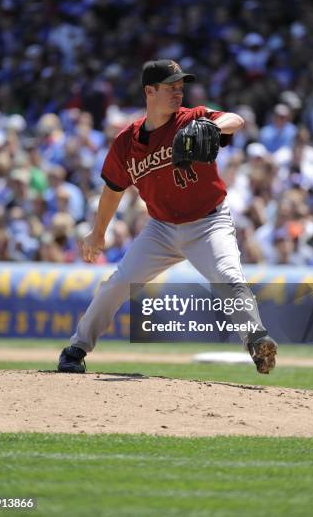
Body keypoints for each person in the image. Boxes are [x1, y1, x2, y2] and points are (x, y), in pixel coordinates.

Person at [58, 59, 277, 374]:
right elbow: (112, 191)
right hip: (161, 229)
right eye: (171, 87)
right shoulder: (126, 143)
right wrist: (97, 233)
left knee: (229, 278)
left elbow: (236, 119)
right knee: (117, 284)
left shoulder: (192, 119)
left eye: (180, 86)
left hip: (208, 223)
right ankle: (76, 348)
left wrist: (214, 126)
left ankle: (257, 340)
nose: (178, 92)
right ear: (150, 91)